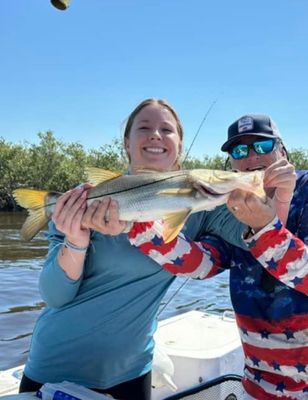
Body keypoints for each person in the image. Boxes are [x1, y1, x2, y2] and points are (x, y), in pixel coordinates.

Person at [19, 99, 247, 400]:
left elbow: (252, 237)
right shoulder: (80, 201)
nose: (155, 135)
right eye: (144, 128)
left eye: (166, 129)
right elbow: (54, 295)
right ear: (126, 143)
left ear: (179, 145)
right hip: (54, 368)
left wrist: (264, 187)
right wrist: (76, 239)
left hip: (133, 373)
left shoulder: (201, 205)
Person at [127, 114, 308, 399]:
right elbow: (202, 264)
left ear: (282, 151)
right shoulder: (231, 202)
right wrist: (139, 225)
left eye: (262, 146)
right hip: (257, 387)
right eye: (238, 151)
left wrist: (265, 228)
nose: (250, 157)